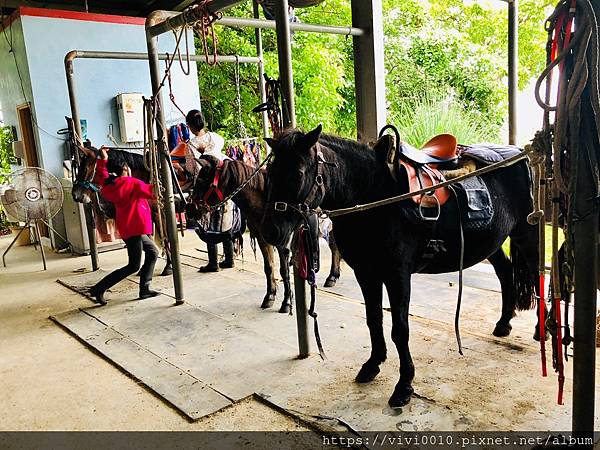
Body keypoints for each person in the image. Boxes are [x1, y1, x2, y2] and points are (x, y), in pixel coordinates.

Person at [88, 147, 160, 305]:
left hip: (128, 228)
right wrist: (162, 172)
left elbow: (102, 175)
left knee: (153, 252)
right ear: (126, 168)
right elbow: (154, 192)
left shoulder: (108, 186)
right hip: (137, 228)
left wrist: (103, 159)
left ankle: (145, 289)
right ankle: (99, 289)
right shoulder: (133, 183)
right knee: (133, 266)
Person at [185, 109, 235, 273]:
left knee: (207, 222)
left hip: (206, 187)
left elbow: (191, 169)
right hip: (223, 184)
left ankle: (213, 263)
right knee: (225, 219)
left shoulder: (191, 145)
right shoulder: (216, 138)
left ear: (190, 126)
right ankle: (229, 259)